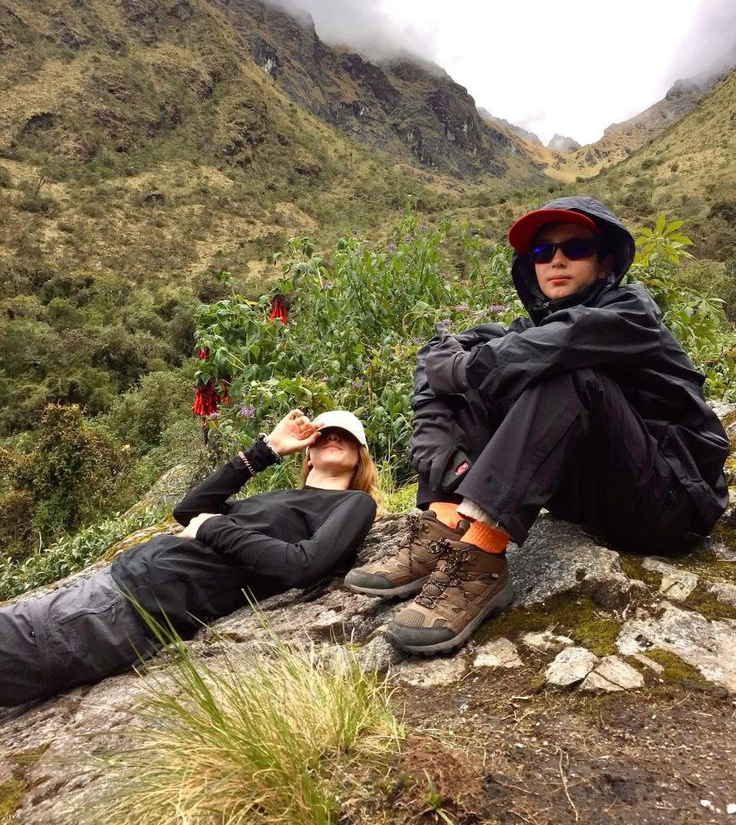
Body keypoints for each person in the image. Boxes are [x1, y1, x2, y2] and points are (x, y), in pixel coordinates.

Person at [346, 197, 729, 656]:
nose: (556, 260)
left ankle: (481, 559)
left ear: (605, 261)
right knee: (475, 370)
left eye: (575, 248)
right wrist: (435, 441)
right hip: (586, 500)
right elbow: (437, 354)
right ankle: (444, 526)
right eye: (542, 252)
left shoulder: (631, 313)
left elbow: (560, 343)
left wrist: (465, 369)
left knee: (554, 370)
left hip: (667, 502)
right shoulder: (528, 327)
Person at [0, 409, 378, 708]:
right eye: (322, 433)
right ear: (308, 454)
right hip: (114, 588)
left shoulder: (354, 503)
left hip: (132, 607)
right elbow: (189, 510)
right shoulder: (276, 498)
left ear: (359, 457)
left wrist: (212, 527)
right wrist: (266, 451)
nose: (332, 437)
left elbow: (303, 564)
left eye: (344, 435)